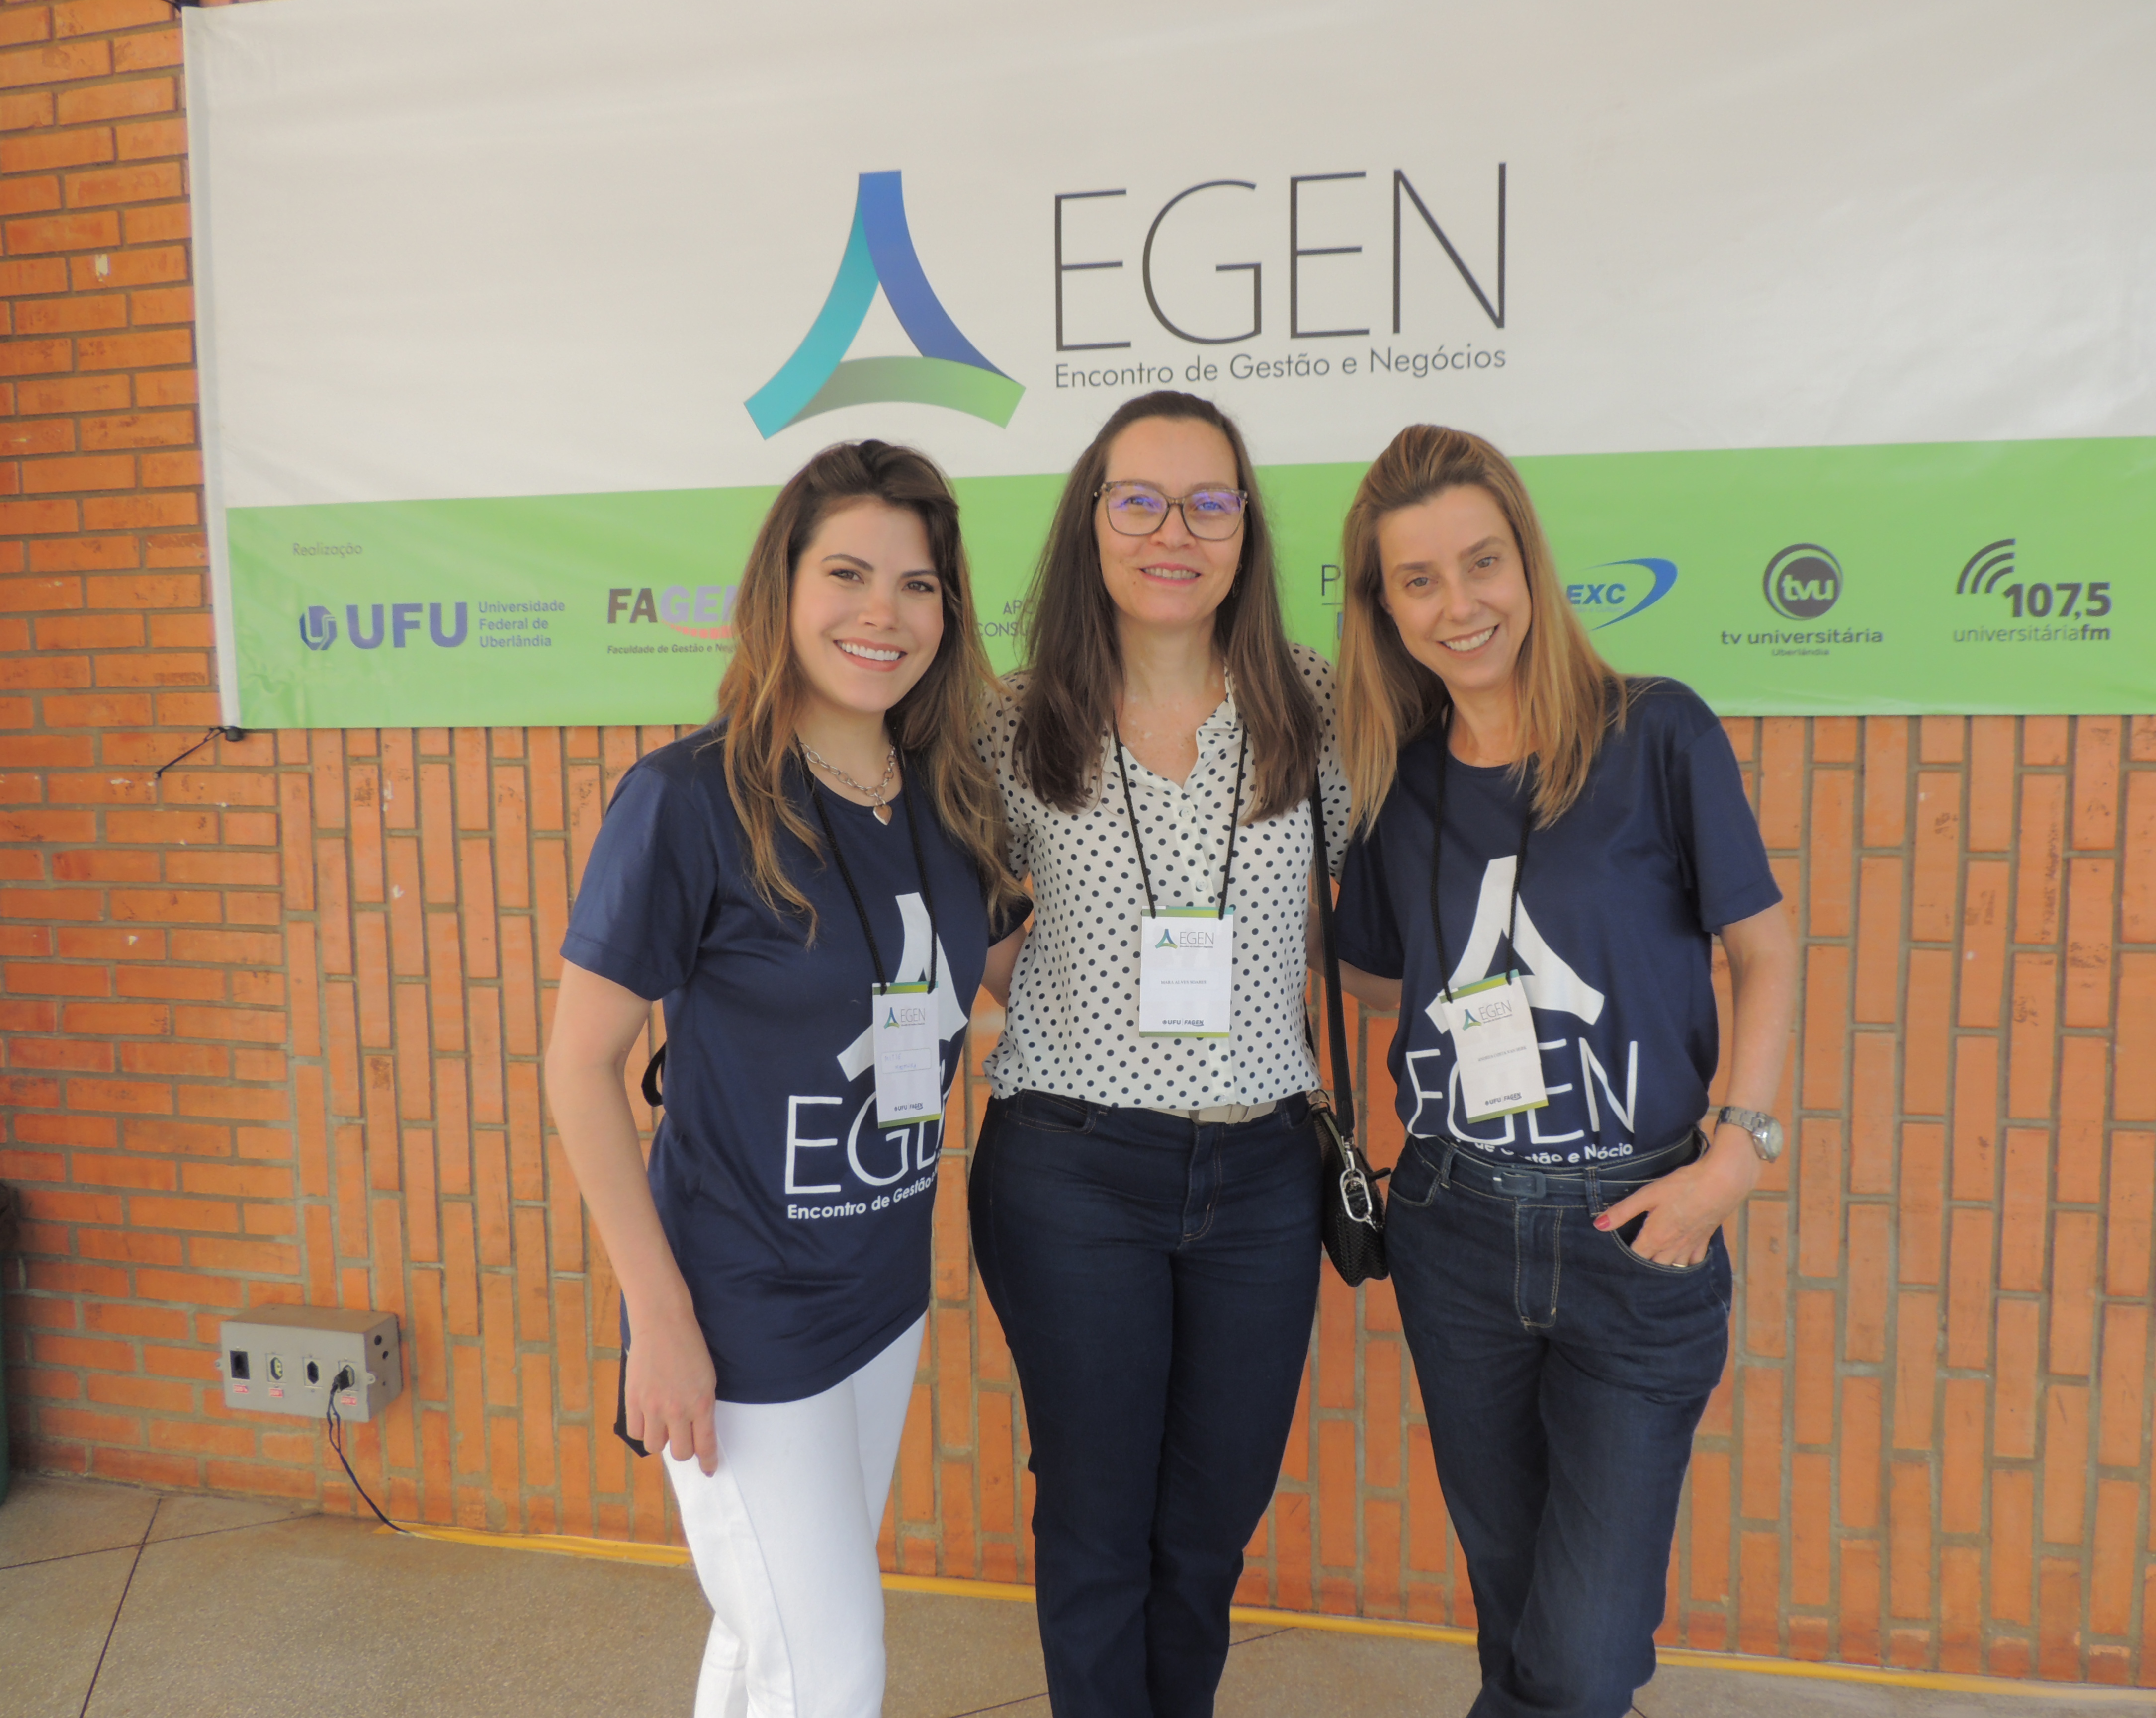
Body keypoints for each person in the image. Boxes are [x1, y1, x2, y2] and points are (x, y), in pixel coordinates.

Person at [543, 440, 1029, 1718]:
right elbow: (580, 1067)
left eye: (918, 585)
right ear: (785, 588)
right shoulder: (689, 800)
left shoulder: (949, 796)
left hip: (880, 1291)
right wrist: (659, 1319)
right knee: (832, 1669)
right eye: (848, 574)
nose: (885, 613)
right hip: (739, 1311)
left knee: (768, 1640)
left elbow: (1011, 973)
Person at [1330, 425, 1794, 1718]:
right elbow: (1380, 982)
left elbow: (1764, 950)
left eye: (1482, 563)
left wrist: (1736, 1156)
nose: (1458, 604)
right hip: (1456, 1222)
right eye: (1419, 580)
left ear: (1528, 563)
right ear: (1384, 607)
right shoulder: (1396, 784)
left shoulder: (1657, 733)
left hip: (1637, 1229)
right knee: (1519, 1612)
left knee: (1581, 1658)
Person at [969, 391, 1349, 1718]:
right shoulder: (1017, 719)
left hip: (1263, 1179)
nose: (1173, 532)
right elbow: (969, 926)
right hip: (1072, 1170)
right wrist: (1057, 992)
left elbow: (1356, 925)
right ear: (1092, 519)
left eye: (1209, 502)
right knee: (1095, 1524)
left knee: (1207, 1531)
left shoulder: (1313, 704)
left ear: (1246, 527)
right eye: (1139, 500)